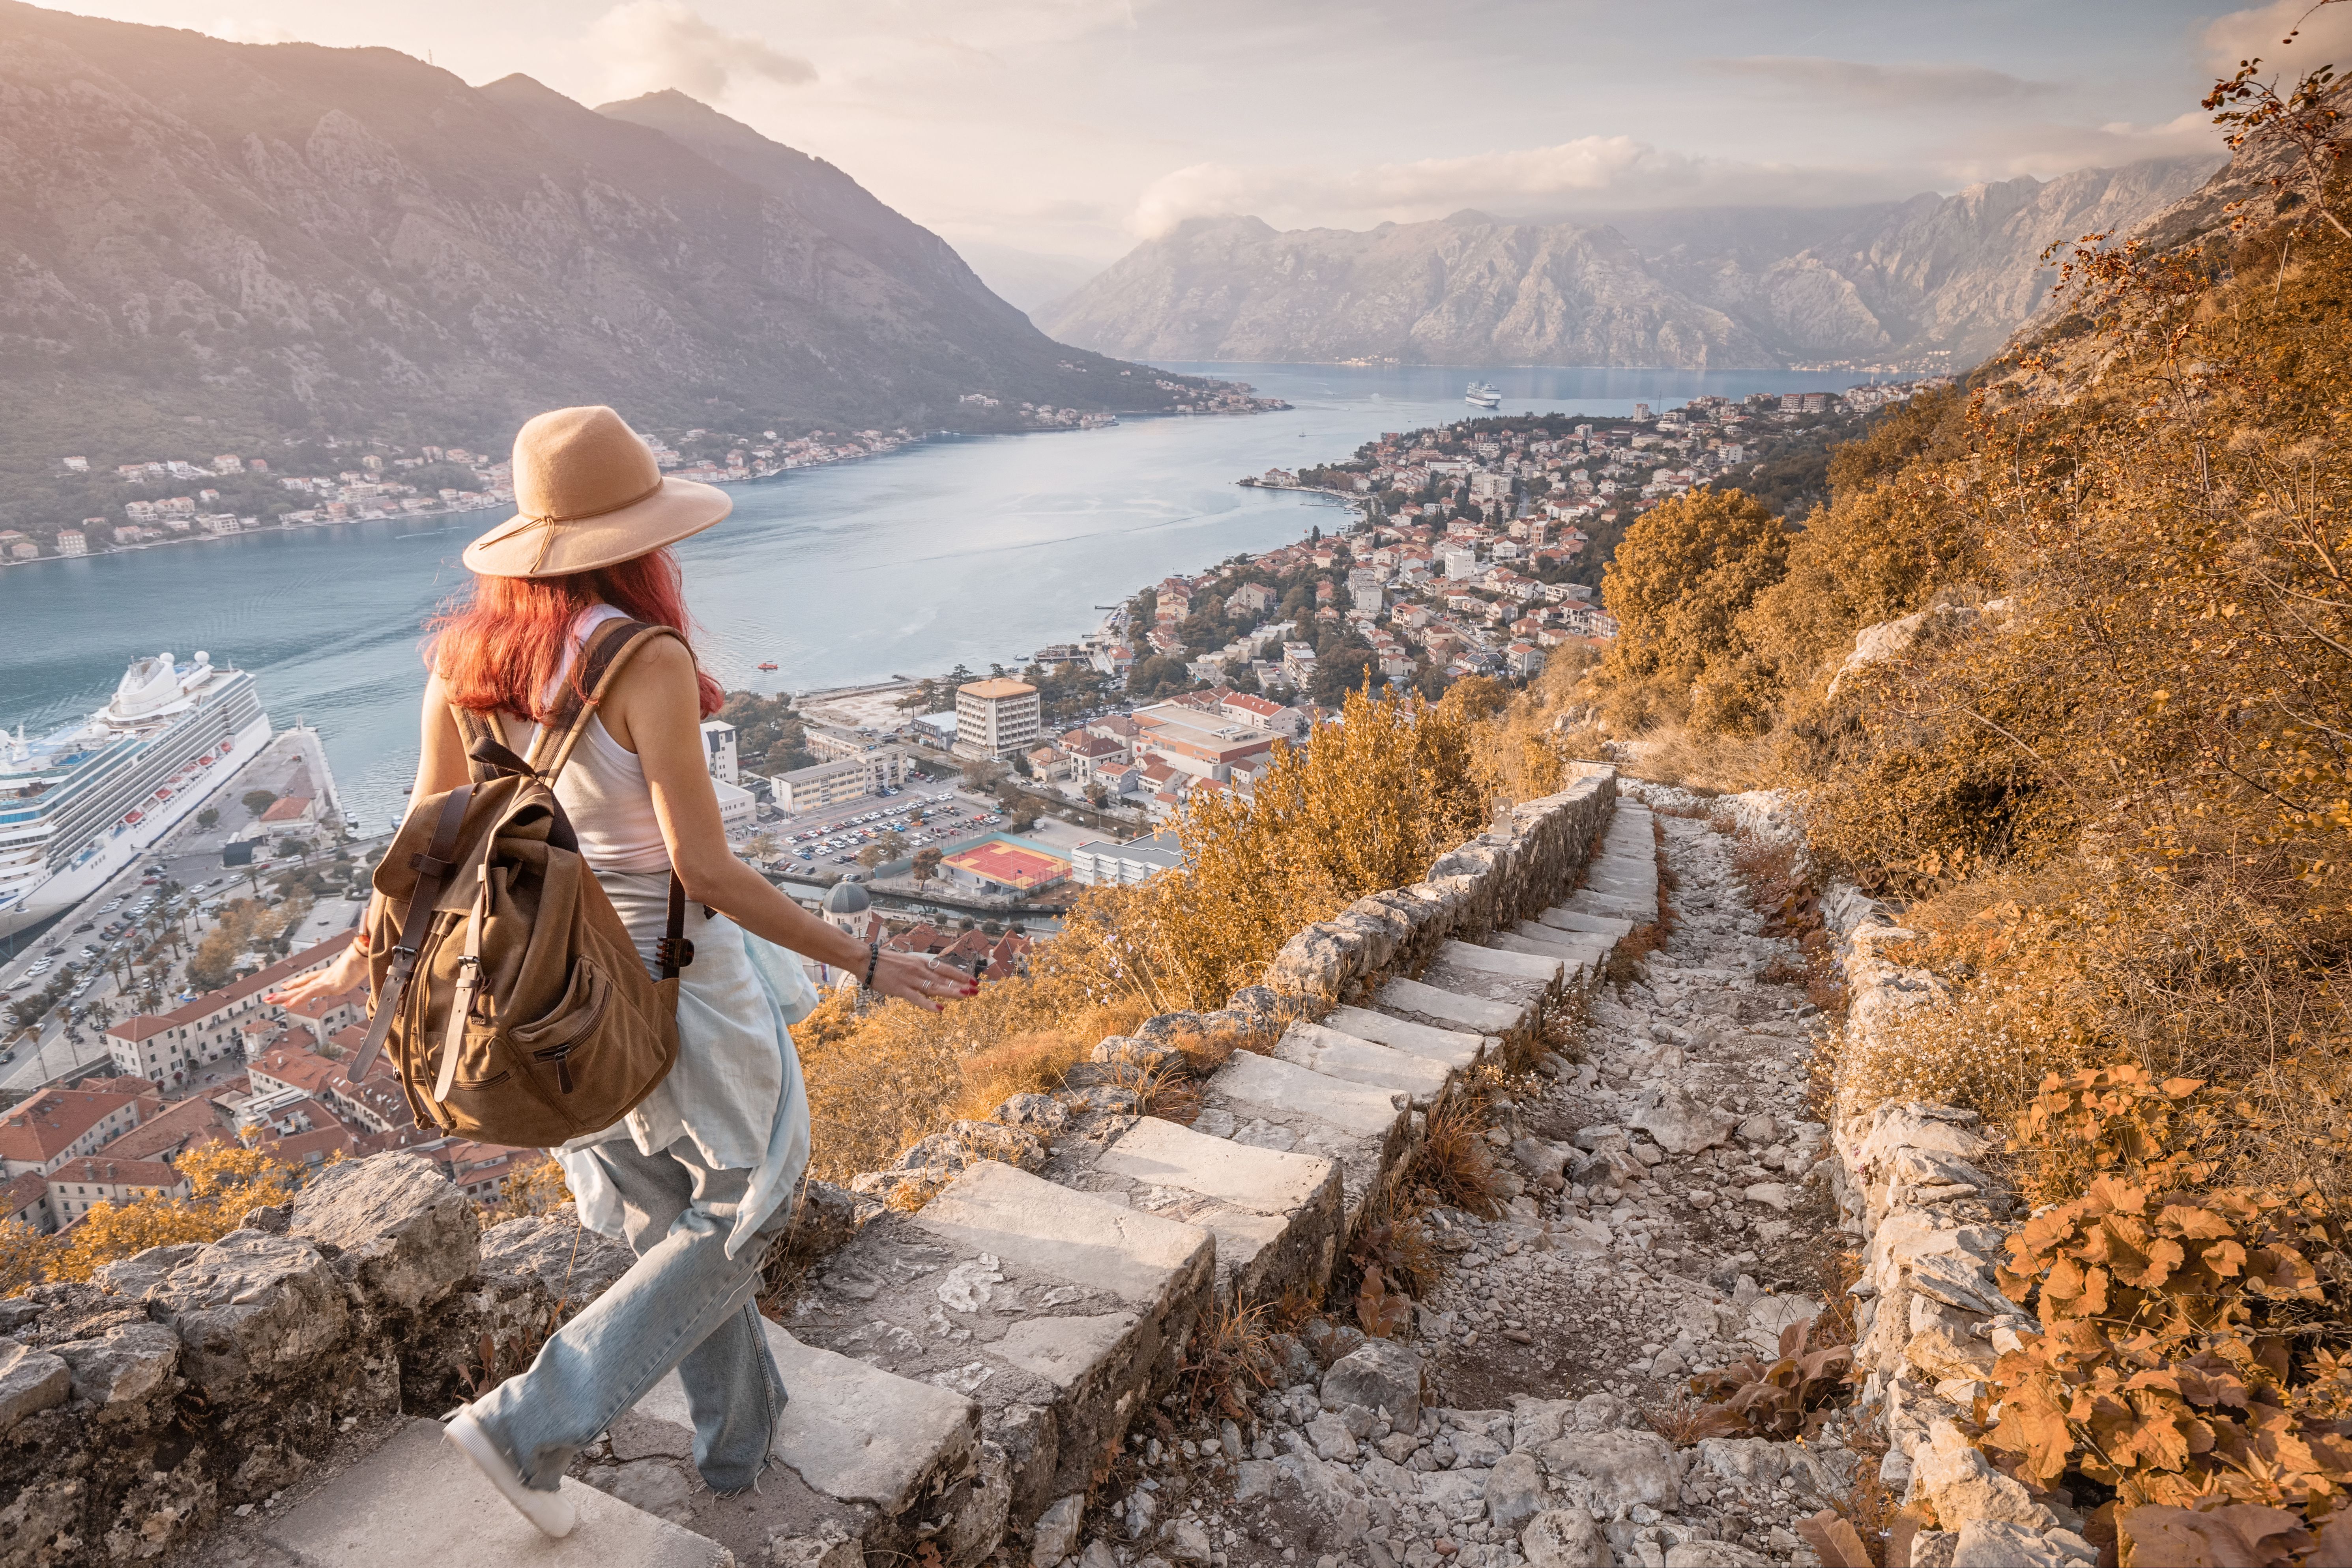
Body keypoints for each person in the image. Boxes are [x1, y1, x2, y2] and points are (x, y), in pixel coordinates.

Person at [271, 405, 975, 1537]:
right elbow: (706, 870)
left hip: (538, 992)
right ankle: (530, 1422)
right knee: (753, 1203)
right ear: (640, 541)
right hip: (674, 977)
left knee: (672, 1224)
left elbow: (425, 832)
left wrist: (366, 958)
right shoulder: (642, 658)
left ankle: (737, 1443)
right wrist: (867, 959)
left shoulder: (464, 660)